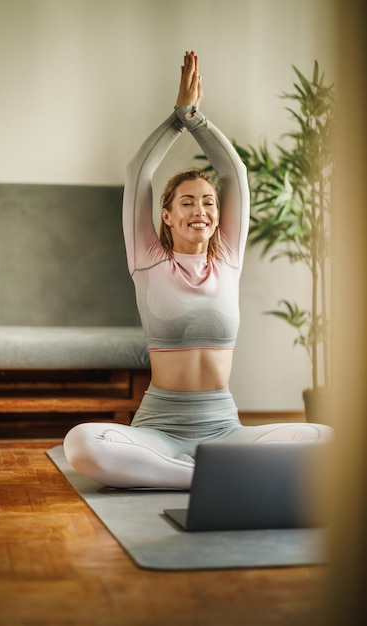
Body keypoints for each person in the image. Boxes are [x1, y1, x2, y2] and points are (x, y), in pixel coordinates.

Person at [63, 51, 331, 489]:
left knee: (328, 438)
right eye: (187, 202)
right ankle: (211, 477)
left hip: (224, 431)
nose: (201, 210)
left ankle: (194, 474)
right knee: (82, 443)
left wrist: (196, 117)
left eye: (208, 202)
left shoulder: (228, 259)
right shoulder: (147, 259)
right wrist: (176, 118)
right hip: (158, 432)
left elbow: (235, 173)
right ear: (166, 216)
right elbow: (139, 172)